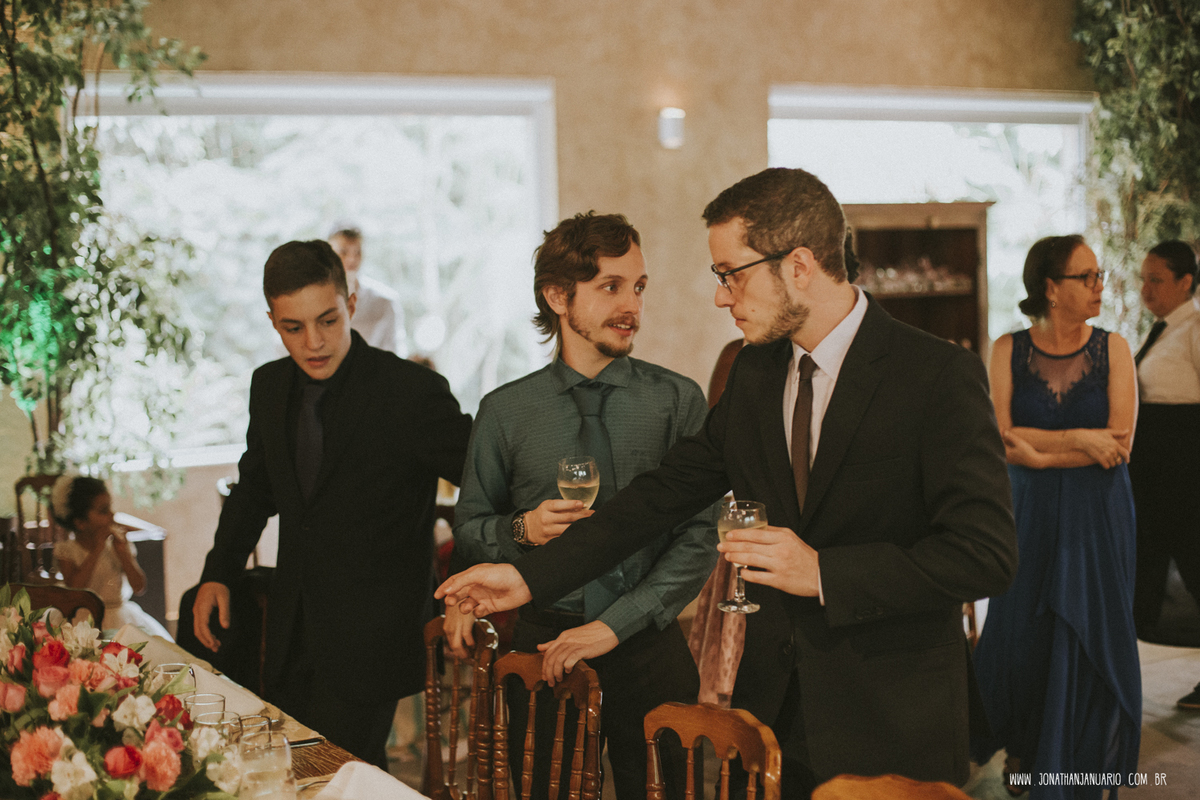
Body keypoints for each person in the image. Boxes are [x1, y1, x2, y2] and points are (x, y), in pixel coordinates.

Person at [439, 167, 1018, 797]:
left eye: (730, 274)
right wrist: (526, 577)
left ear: (799, 265)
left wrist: (824, 572)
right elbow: (658, 499)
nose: (722, 296)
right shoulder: (755, 373)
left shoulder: (937, 374)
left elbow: (985, 555)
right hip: (771, 715)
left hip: (891, 714)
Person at [446, 211, 715, 800]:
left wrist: (615, 625)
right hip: (545, 656)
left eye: (639, 287)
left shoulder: (677, 401)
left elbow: (700, 537)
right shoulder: (505, 412)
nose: (632, 306)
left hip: (652, 650)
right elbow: (471, 529)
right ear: (557, 296)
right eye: (611, 287)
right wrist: (524, 530)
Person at [192, 239, 472, 768]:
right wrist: (218, 572)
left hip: (376, 634)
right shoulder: (269, 386)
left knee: (335, 773)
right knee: (307, 771)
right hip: (293, 627)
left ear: (352, 302)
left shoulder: (411, 391)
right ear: (273, 320)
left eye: (327, 320)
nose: (313, 342)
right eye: (293, 327)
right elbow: (255, 488)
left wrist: (467, 581)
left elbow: (484, 482)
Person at [971, 235, 1141, 795]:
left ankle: (1085, 762)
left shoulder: (1114, 348)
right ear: (1050, 287)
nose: (1100, 285)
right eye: (1086, 276)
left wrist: (1042, 452)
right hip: (1030, 509)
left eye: (1098, 276)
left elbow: (1119, 442)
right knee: (1023, 628)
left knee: (1093, 628)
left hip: (1099, 511)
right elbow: (1002, 436)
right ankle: (1026, 756)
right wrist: (1073, 441)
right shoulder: (1007, 349)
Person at [1127, 239, 1200, 709]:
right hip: (1158, 478)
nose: (1146, 288)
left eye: (1157, 279)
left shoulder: (1195, 328)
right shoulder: (1164, 330)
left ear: (1185, 282)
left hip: (1187, 474)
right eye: (1144, 278)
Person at [50, 474, 172, 639]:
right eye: (103, 511)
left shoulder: (118, 546)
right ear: (80, 522)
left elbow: (139, 587)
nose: (111, 515)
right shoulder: (67, 550)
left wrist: (124, 555)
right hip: (83, 620)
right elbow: (75, 588)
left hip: (120, 617)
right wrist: (97, 549)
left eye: (110, 508)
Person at [328, 224, 406, 354]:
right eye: (343, 252)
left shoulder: (385, 301)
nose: (352, 259)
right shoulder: (314, 299)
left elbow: (393, 349)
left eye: (357, 252)